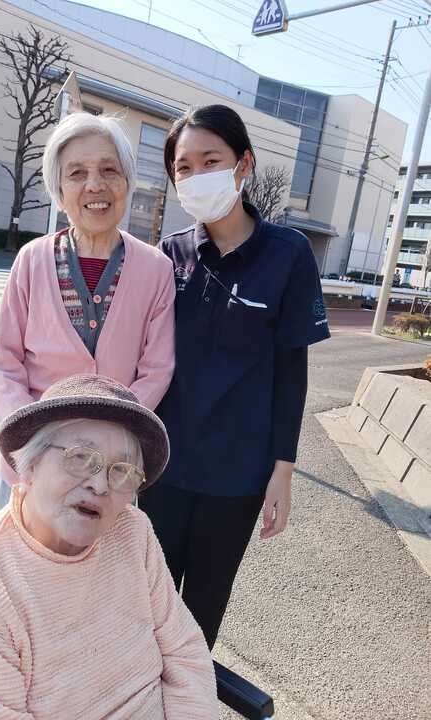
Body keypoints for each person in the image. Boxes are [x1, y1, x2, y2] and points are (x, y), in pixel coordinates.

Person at [0, 375, 218, 720]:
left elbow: (184, 649)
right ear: (30, 465)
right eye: (82, 457)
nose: (100, 485)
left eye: (121, 470)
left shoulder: (132, 531)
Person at [139, 104, 330, 650]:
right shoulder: (169, 255)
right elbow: (144, 359)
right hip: (164, 468)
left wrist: (283, 470)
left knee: (202, 611)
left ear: (243, 164)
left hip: (237, 476)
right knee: (145, 603)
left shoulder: (288, 254)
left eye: (211, 161)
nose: (196, 176)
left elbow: (291, 371)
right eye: (184, 167)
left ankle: (189, 693)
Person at [0, 112, 175, 511]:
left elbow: (157, 369)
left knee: (105, 552)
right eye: (76, 173)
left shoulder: (156, 268)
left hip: (112, 467)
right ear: (59, 189)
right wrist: (28, 442)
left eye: (109, 170)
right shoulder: (32, 260)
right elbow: (4, 362)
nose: (94, 185)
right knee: (23, 550)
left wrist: (111, 436)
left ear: (128, 182)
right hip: (33, 460)